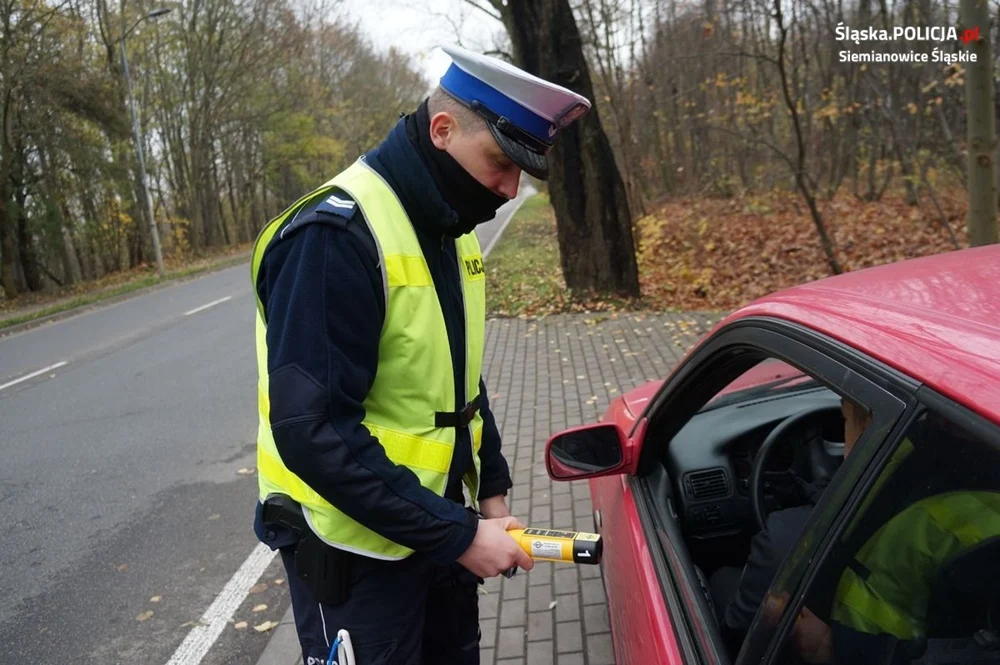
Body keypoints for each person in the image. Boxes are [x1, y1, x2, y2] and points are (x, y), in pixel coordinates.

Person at [249, 45, 592, 665]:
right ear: (442, 130)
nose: (510, 190)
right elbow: (312, 431)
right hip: (354, 557)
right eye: (500, 163)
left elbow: (458, 379)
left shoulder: (444, 229)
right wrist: (461, 537)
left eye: (523, 174)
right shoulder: (335, 236)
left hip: (432, 532)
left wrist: (490, 495)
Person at [710, 397, 873, 656]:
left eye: (844, 423)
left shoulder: (788, 539)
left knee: (720, 580)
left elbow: (742, 637)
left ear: (864, 427)